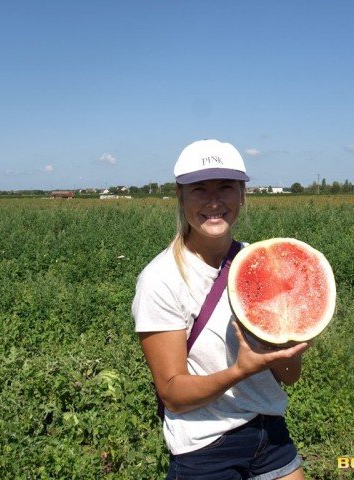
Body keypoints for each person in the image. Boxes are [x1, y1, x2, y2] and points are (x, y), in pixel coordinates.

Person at [132, 139, 309, 479]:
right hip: (204, 447)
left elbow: (290, 377)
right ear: (180, 195)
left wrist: (294, 344)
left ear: (242, 193)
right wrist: (240, 371)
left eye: (225, 187)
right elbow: (173, 395)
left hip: (269, 431)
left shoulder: (263, 265)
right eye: (199, 189)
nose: (214, 201)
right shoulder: (160, 280)